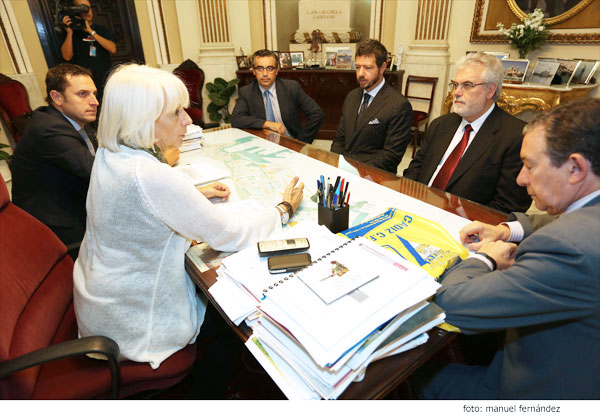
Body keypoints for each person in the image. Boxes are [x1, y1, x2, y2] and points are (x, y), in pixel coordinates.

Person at [72, 64, 304, 377]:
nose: (188, 120)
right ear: (144, 120)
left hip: (103, 305)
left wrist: (192, 194)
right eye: (175, 113)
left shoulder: (110, 152)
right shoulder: (150, 176)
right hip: (137, 324)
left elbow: (141, 205)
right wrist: (283, 208)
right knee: (236, 320)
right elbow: (230, 234)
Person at [417, 98, 600, 399]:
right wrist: (506, 229)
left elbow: (451, 305)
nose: (521, 178)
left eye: (530, 165)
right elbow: (560, 220)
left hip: (535, 389)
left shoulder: (569, 250)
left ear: (575, 168)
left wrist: (486, 259)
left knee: (409, 378)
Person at [403, 52, 531, 214]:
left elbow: (507, 208)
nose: (456, 92)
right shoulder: (441, 124)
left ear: (490, 90)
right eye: (455, 84)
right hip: (414, 209)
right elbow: (414, 170)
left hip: (464, 225)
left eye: (467, 85)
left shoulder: (515, 137)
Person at [11, 63, 98, 257]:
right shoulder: (49, 129)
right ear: (57, 97)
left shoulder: (72, 121)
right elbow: (96, 171)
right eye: (83, 94)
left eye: (94, 93)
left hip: (75, 204)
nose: (94, 102)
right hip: (58, 227)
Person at [331, 39, 412, 174]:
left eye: (368, 68)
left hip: (375, 177)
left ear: (382, 68)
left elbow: (390, 156)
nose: (361, 74)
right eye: (357, 67)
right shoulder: (351, 96)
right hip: (344, 172)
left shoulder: (399, 105)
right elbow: (339, 139)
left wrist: (354, 169)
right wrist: (339, 164)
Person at [231, 49, 324, 144]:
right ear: (254, 71)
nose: (265, 74)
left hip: (289, 141)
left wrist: (301, 142)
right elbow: (236, 119)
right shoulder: (247, 92)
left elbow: (317, 114)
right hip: (262, 143)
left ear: (277, 70)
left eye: (270, 68)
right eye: (260, 68)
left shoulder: (291, 88)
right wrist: (267, 124)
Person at [60, 0, 116, 102]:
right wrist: (69, 33)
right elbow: (67, 56)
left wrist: (90, 31)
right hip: (83, 82)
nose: (87, 11)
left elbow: (112, 49)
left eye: (88, 8)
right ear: (76, 11)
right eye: (82, 8)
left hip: (105, 79)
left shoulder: (101, 29)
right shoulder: (71, 32)